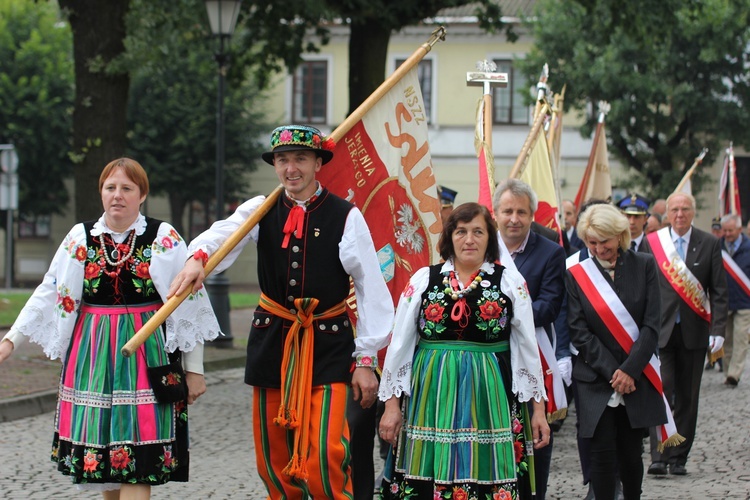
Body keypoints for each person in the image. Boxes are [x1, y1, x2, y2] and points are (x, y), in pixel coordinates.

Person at [168, 124, 393, 499]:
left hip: (328, 345)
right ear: (275, 164)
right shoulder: (261, 209)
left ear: (318, 163)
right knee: (273, 462)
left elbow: (372, 288)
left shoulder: (345, 216)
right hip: (272, 341)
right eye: (283, 159)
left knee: (326, 455)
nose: (291, 168)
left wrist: (366, 359)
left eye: (301, 159)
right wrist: (197, 258)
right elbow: (221, 235)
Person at [0, 158, 221, 499]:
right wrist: (12, 339)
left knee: (138, 454)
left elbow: (186, 303)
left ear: (142, 194)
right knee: (104, 459)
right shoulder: (80, 236)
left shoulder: (163, 237)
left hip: (146, 353)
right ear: (101, 193)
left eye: (127, 188)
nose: (117, 195)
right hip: (92, 354)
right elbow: (51, 289)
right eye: (110, 188)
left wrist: (195, 370)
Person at [378, 202, 549, 498]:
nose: (469, 239)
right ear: (449, 237)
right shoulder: (423, 279)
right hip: (430, 394)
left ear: (489, 238)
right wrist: (392, 406)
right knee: (426, 470)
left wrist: (538, 411)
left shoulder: (509, 281)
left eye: (478, 231)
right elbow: (400, 347)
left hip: (488, 394)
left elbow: (527, 348)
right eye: (461, 231)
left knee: (486, 468)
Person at [565, 204, 667, 500]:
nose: (598, 249)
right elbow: (579, 330)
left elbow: (651, 325)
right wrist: (615, 372)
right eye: (591, 242)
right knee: (601, 457)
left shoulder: (645, 265)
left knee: (631, 458)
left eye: (604, 241)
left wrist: (630, 370)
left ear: (620, 236)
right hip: (596, 378)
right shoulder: (577, 274)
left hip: (636, 375)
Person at [493, 179, 567, 500]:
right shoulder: (480, 246)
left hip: (532, 355)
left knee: (533, 435)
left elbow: (549, 305)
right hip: (489, 358)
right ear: (495, 213)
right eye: (507, 211)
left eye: (521, 212)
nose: (514, 218)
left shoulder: (551, 252)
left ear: (532, 215)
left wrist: (495, 317)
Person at [646, 192, 727, 476]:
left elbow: (718, 290)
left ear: (693, 212)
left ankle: (679, 456)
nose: (680, 215)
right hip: (660, 331)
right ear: (667, 213)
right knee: (662, 391)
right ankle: (658, 455)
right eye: (675, 210)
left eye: (685, 209)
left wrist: (718, 331)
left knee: (688, 396)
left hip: (695, 332)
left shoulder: (710, 243)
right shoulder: (654, 243)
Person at [719, 214, 750, 386]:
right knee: (726, 339)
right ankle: (727, 372)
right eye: (725, 230)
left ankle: (734, 374)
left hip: (745, 302)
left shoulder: (749, 247)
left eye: (731, 230)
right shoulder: (718, 247)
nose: (728, 234)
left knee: (740, 339)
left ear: (739, 229)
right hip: (725, 302)